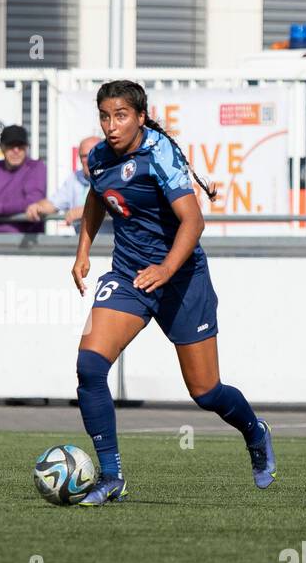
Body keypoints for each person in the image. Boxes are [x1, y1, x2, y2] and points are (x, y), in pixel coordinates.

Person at [71, 79, 274, 505]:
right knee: (90, 367)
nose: (111, 125)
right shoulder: (99, 157)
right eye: (105, 116)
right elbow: (97, 198)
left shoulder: (158, 153)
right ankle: (111, 477)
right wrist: (84, 250)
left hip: (182, 279)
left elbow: (193, 222)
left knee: (206, 392)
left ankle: (255, 432)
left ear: (140, 117)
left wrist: (166, 268)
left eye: (121, 116)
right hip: (129, 276)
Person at [51, 135, 101, 228]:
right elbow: (54, 203)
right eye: (83, 156)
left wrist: (87, 210)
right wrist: (37, 207)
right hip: (81, 241)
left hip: (109, 241)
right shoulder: (74, 178)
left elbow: (119, 205)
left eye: (92, 154)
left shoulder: (115, 175)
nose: (87, 160)